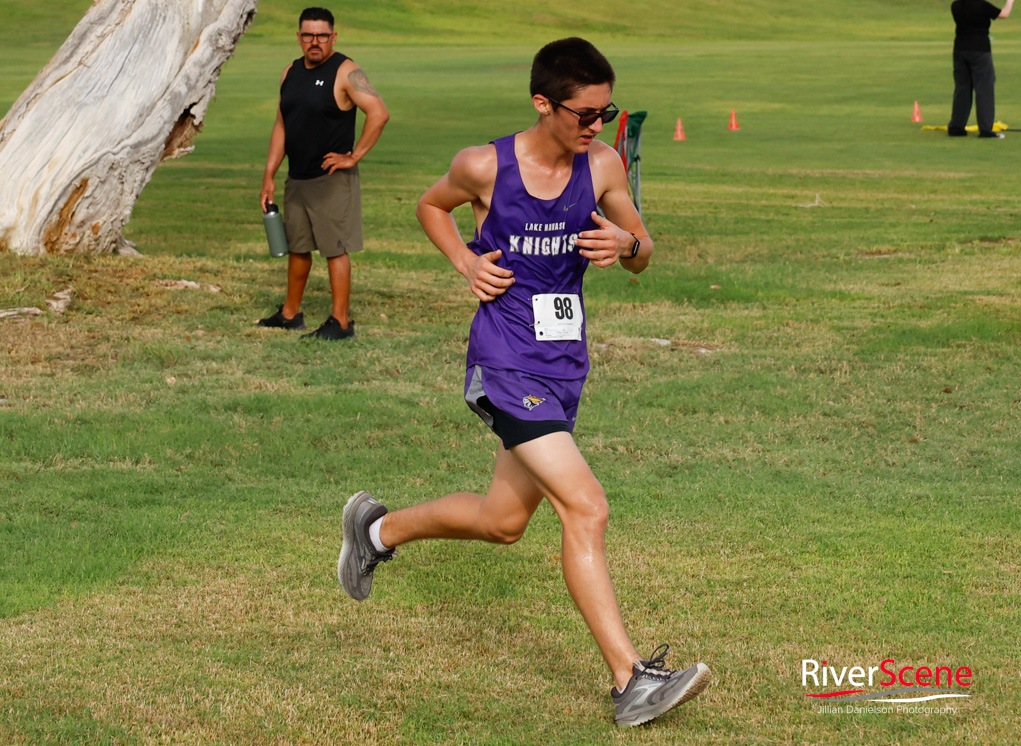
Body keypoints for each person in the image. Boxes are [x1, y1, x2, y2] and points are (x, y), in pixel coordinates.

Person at [336, 38, 711, 727]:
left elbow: (642, 248)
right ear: (544, 104)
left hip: (565, 362)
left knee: (502, 523)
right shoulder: (483, 165)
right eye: (585, 113)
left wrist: (627, 247)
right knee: (586, 506)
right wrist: (463, 262)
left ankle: (376, 531)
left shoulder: (600, 165)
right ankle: (631, 680)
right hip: (505, 359)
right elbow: (429, 206)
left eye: (606, 112)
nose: (598, 126)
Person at [258, 7, 389, 339]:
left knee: (335, 249)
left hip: (331, 180)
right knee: (298, 247)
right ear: (299, 37)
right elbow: (281, 125)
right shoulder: (290, 72)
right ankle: (290, 314)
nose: (314, 41)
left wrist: (354, 155)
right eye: (307, 35)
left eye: (321, 35)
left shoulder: (346, 71)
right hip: (297, 178)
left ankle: (341, 322)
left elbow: (379, 112)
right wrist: (269, 174)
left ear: (333, 37)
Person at [948, 0, 1015, 138]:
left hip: (960, 49)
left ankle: (956, 126)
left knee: (962, 88)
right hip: (980, 50)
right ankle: (985, 128)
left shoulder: (956, 5)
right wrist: (1010, 2)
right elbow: (1004, 14)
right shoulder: (982, 5)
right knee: (984, 88)